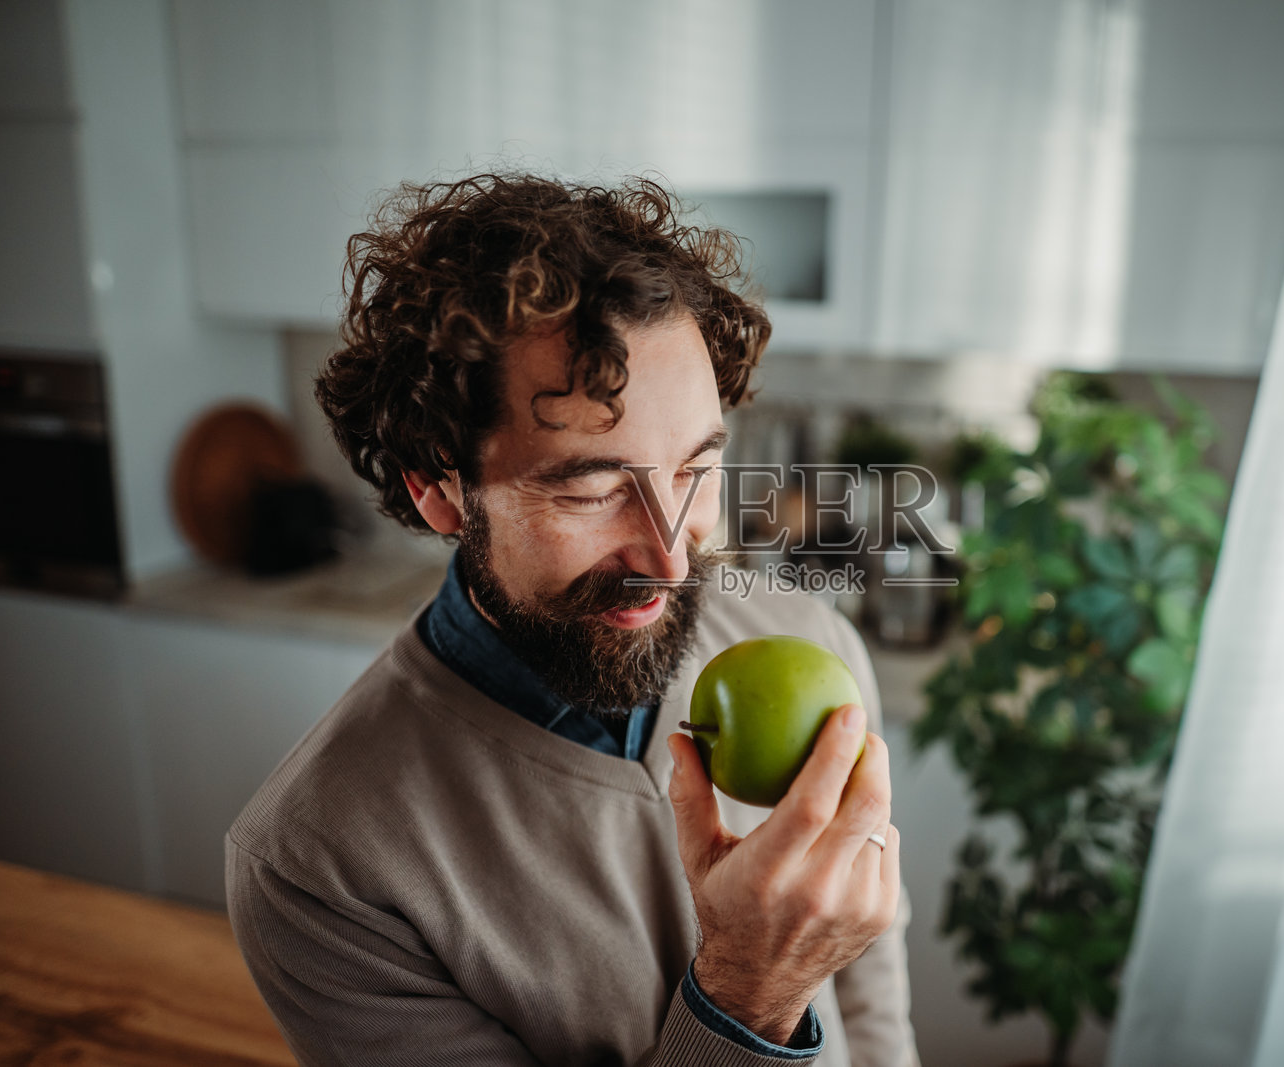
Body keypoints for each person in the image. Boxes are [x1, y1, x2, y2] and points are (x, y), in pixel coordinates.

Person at [225, 173, 918, 1066]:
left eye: (696, 470)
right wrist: (751, 992)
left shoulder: (810, 643)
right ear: (438, 486)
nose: (673, 558)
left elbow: (874, 999)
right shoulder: (325, 870)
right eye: (593, 488)